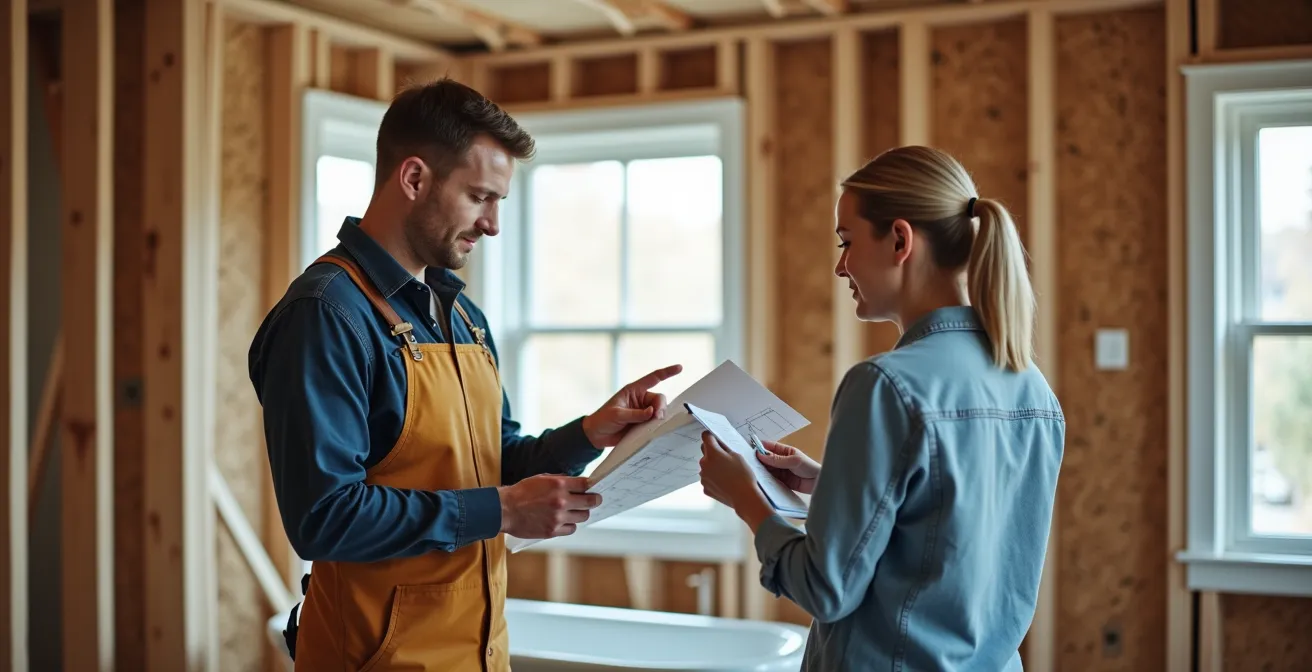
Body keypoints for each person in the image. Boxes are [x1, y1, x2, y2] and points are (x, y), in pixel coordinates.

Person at [248, 78, 681, 672]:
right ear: (414, 178)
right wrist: (501, 510)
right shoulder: (326, 315)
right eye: (481, 197)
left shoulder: (462, 317)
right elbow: (325, 518)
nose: (494, 224)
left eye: (499, 201)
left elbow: (492, 458)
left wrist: (587, 434)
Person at [697, 146, 1065, 670]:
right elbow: (951, 527)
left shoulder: (885, 386)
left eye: (846, 242)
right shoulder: (1035, 391)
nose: (839, 266)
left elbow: (826, 589)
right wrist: (828, 483)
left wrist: (747, 501)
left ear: (899, 240)